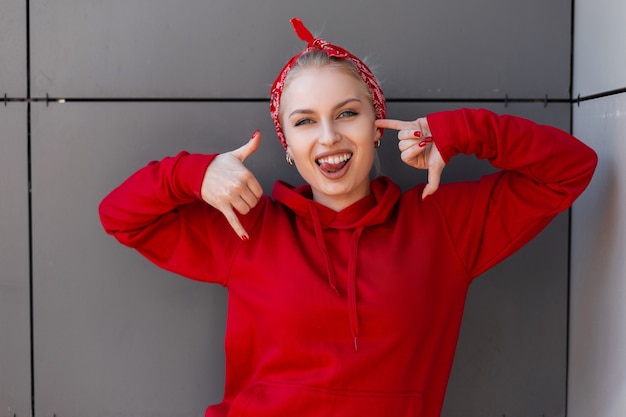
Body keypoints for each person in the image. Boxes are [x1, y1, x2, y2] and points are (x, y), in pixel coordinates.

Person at [99, 17, 597, 417]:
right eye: (305, 122)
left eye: (347, 113)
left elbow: (570, 169)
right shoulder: (247, 225)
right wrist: (195, 174)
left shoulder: (441, 223)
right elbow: (120, 216)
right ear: (288, 147)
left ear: (377, 127)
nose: (329, 137)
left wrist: (463, 131)